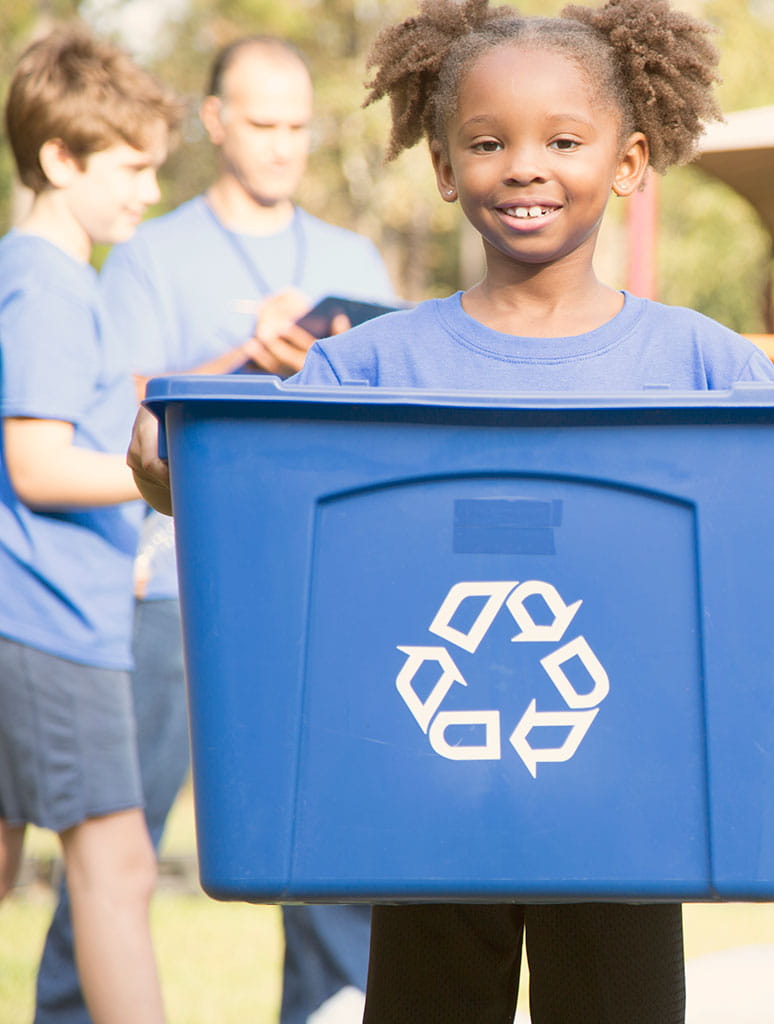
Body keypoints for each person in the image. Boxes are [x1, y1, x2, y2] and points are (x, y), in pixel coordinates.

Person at [127, 0, 774, 1020]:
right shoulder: (371, 366)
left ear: (630, 162)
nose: (525, 166)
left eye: (564, 141)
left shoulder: (700, 364)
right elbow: (234, 488)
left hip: (634, 811)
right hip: (422, 810)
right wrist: (158, 454)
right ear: (447, 167)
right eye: (489, 142)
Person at [34, 35, 395, 1024]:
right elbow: (123, 417)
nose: (283, 147)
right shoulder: (149, 254)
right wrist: (241, 360)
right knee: (117, 849)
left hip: (322, 595)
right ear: (217, 121)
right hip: (167, 590)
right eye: (263, 124)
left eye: (298, 127)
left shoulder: (353, 260)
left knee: (326, 864)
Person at [0, 27, 180, 1024]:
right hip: (47, 627)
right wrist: (167, 484)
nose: (149, 192)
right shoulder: (48, 281)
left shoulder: (52, 276)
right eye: (134, 167)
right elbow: (36, 462)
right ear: (61, 158)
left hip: (49, 612)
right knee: (117, 868)